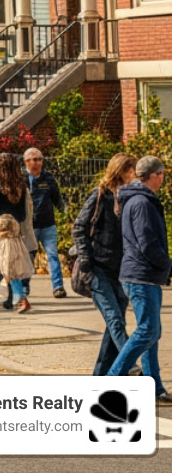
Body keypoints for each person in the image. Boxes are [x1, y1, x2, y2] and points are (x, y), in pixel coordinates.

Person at [106, 155, 170, 403]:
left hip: (143, 274)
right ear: (153, 175)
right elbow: (147, 242)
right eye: (162, 173)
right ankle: (113, 379)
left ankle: (154, 388)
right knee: (147, 331)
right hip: (142, 273)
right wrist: (167, 264)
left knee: (152, 332)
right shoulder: (142, 202)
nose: (163, 178)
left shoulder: (136, 199)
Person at [74, 153, 136, 376]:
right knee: (115, 320)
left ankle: (99, 378)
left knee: (114, 326)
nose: (135, 174)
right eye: (132, 170)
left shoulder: (129, 197)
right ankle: (131, 364)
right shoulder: (100, 195)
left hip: (121, 271)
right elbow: (79, 227)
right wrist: (87, 261)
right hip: (98, 269)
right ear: (122, 170)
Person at [0, 152, 35, 311]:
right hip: (17, 229)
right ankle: (12, 298)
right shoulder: (23, 183)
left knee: (2, 263)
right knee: (11, 263)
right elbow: (25, 211)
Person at [23, 148, 66, 298]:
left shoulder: (48, 178)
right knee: (29, 258)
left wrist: (64, 211)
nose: (37, 163)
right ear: (26, 162)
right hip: (30, 226)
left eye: (40, 159)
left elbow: (56, 197)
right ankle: (24, 288)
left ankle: (58, 287)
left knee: (52, 255)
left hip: (48, 224)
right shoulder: (21, 178)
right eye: (34, 159)